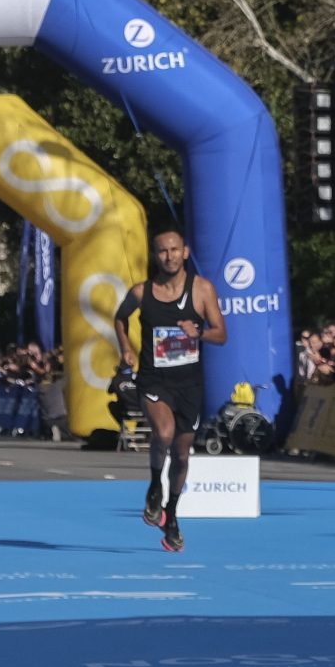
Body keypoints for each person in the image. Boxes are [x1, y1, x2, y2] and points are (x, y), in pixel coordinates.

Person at [111, 229, 228, 552]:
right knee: (163, 433)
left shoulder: (202, 290)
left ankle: (172, 515)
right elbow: (120, 318)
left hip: (189, 383)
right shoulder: (141, 292)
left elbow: (222, 334)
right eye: (163, 251)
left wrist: (199, 332)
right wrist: (126, 349)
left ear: (185, 252)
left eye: (175, 250)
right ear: (155, 255)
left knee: (181, 454)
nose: (169, 256)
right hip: (153, 379)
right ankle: (153, 487)